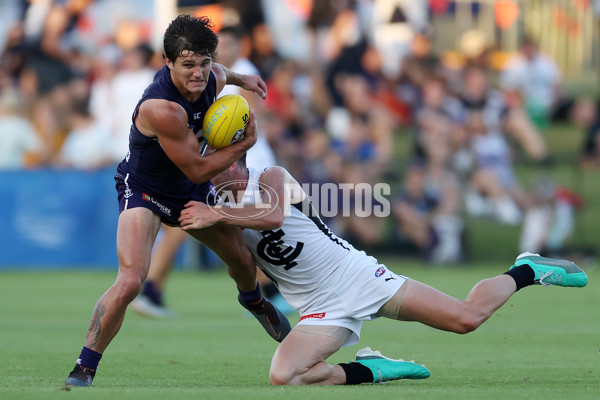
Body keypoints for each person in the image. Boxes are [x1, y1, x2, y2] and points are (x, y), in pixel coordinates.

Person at [178, 154, 588, 386]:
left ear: (236, 160)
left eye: (215, 163)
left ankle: (527, 270)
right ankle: (372, 369)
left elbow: (271, 215)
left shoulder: (271, 176)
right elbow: (241, 262)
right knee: (286, 377)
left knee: (467, 319)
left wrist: (215, 212)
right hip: (318, 308)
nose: (209, 173)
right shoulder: (220, 210)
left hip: (355, 275)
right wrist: (251, 299)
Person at [64, 14, 291, 387]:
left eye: (202, 63)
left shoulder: (211, 74)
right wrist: (245, 144)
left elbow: (221, 70)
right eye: (188, 65)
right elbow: (200, 169)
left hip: (188, 189)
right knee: (131, 279)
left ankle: (253, 301)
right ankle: (84, 367)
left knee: (241, 259)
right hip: (146, 189)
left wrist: (243, 79)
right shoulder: (162, 108)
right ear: (167, 62)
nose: (198, 73)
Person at [130, 24, 287, 319]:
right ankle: (272, 293)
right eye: (221, 44)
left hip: (244, 156)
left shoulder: (225, 69)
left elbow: (242, 115)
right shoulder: (202, 72)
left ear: (240, 46)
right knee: (220, 221)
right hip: (230, 158)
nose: (223, 49)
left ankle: (269, 292)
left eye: (229, 43)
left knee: (229, 225)